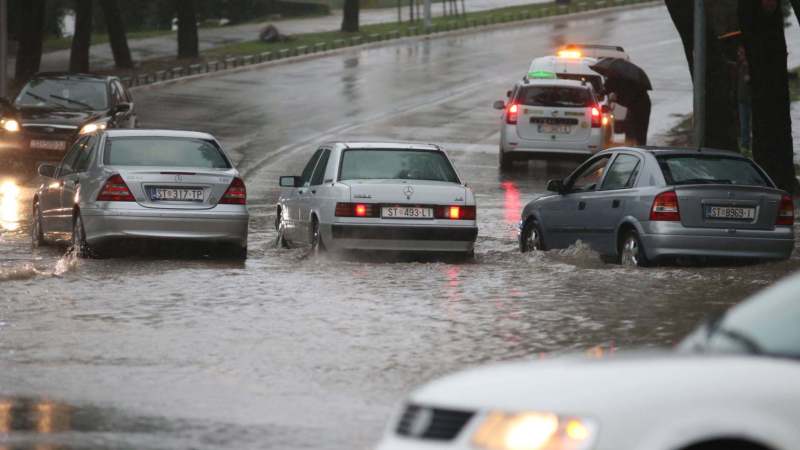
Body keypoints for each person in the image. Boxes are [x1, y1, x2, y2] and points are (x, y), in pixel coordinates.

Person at [604, 78, 651, 146]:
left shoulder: (626, 85)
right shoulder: (625, 82)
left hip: (640, 107)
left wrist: (616, 99)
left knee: (637, 129)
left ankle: (638, 147)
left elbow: (625, 100)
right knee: (635, 129)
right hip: (639, 106)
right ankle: (634, 146)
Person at [737, 45, 752, 149]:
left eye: (741, 53)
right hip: (742, 99)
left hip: (748, 99)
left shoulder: (747, 66)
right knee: (744, 125)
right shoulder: (741, 65)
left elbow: (747, 81)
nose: (739, 55)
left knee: (747, 124)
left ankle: (746, 144)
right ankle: (745, 144)